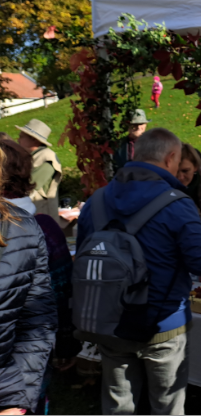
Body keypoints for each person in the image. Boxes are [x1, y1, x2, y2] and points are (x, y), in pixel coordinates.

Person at [76, 127, 201, 415]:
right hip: (164, 322)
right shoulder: (178, 203)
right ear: (171, 158)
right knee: (166, 406)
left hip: (109, 318)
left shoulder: (96, 200)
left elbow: (82, 256)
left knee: (118, 405)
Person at [0, 139, 81, 413]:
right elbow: (61, 293)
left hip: (20, 367)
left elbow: (51, 298)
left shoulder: (34, 228)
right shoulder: (42, 226)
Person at [16, 119, 62, 220]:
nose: (18, 140)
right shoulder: (31, 156)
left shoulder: (47, 158)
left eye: (21, 137)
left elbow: (28, 187)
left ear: (33, 139)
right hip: (30, 216)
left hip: (42, 220)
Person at [112, 109, 151, 174]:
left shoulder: (154, 145)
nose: (138, 127)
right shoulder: (118, 146)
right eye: (135, 124)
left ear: (146, 124)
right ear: (128, 126)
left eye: (141, 124)